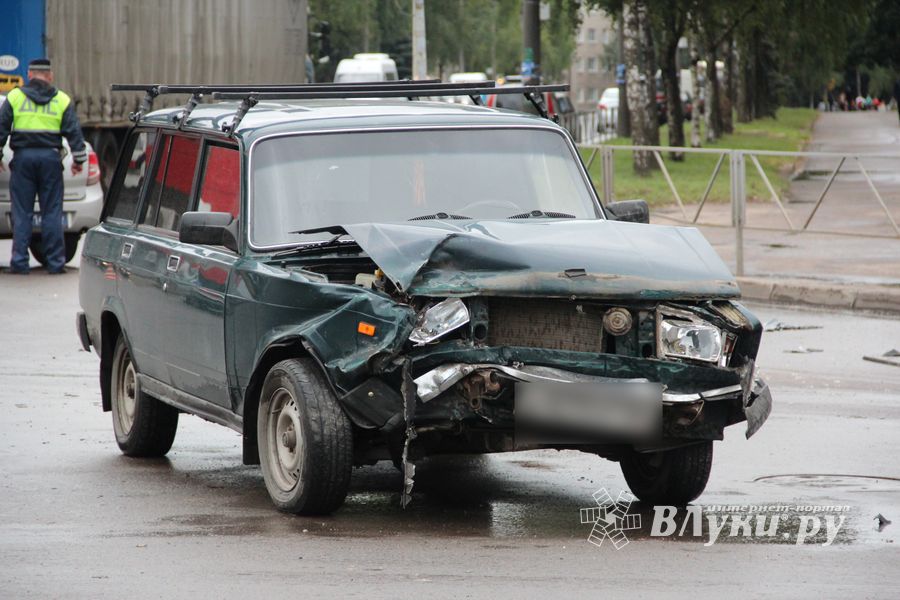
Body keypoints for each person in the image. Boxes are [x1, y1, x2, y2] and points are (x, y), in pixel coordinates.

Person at [0, 58, 86, 274]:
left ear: (29, 74)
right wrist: (78, 161)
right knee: (52, 212)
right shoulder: (62, 100)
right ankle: (55, 263)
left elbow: (1, 129)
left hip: (23, 160)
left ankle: (19, 263)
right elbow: (74, 133)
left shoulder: (15, 97)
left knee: (22, 212)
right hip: (50, 160)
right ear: (50, 76)